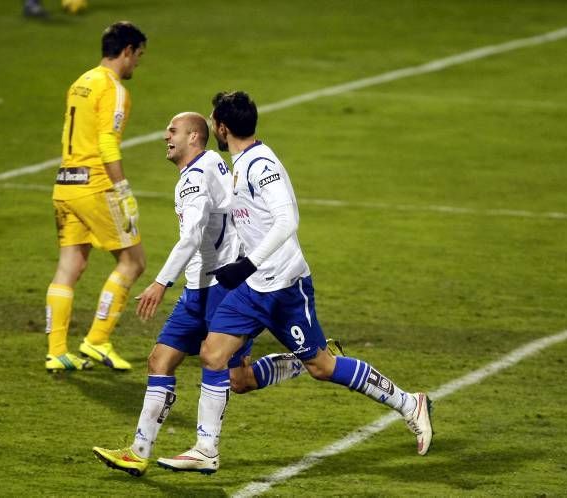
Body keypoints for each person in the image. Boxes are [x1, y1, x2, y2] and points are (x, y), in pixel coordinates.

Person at [156, 91, 434, 474]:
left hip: (286, 285)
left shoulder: (260, 164)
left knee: (322, 365)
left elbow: (288, 221)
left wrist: (246, 263)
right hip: (251, 288)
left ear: (222, 127)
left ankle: (409, 402)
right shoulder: (237, 164)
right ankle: (206, 449)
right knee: (216, 358)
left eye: (212, 120)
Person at [91, 112, 306, 477]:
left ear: (194, 137)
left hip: (221, 290)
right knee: (160, 360)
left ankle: (304, 361)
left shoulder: (194, 179)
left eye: (172, 131)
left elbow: (191, 236)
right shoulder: (215, 165)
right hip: (198, 290)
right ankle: (138, 451)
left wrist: (161, 282)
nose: (165, 137)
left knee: (240, 380)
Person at [45, 22, 147, 372]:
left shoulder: (81, 82)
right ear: (127, 51)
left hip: (65, 184)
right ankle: (97, 340)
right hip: (95, 186)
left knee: (70, 266)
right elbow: (106, 143)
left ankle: (57, 351)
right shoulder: (114, 89)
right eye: (138, 56)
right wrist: (121, 189)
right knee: (133, 261)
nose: (137, 64)